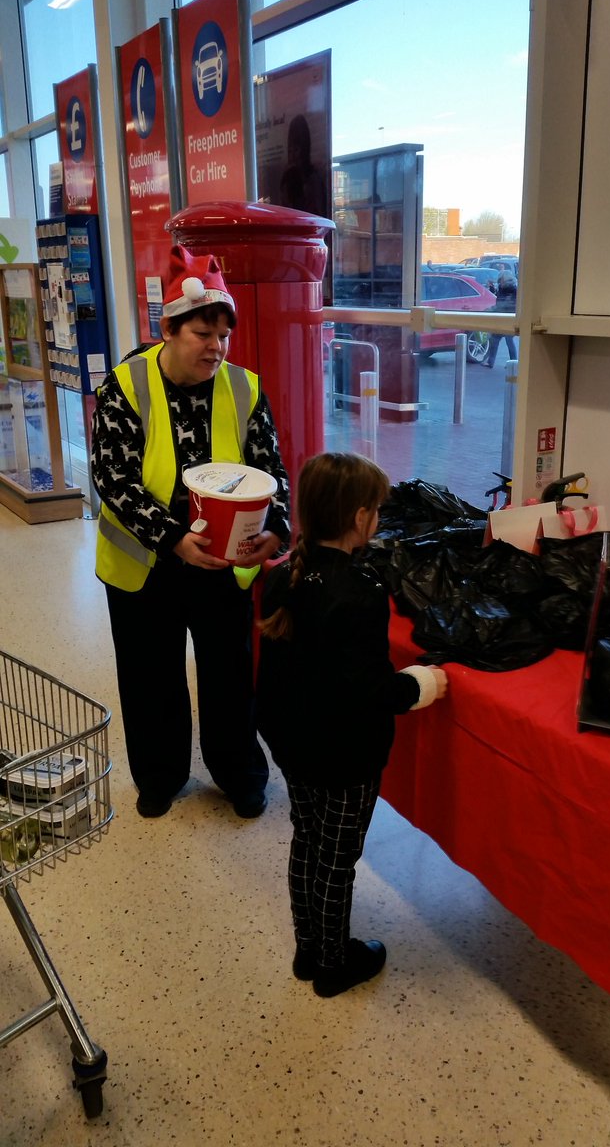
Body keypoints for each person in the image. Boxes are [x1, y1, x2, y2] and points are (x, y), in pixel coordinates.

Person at [91, 245, 290, 820]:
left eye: (223, 335)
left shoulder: (244, 388)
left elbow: (271, 467)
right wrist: (174, 536)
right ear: (169, 330)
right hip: (145, 564)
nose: (216, 347)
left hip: (224, 562)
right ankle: (159, 777)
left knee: (230, 677)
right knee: (150, 678)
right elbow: (113, 477)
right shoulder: (125, 387)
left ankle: (239, 773)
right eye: (203, 333)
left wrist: (275, 528)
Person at [256, 452, 447, 997]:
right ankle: (334, 964)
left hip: (292, 741)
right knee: (338, 862)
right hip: (344, 753)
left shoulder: (283, 576)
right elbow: (371, 689)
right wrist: (422, 685)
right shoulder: (359, 594)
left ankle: (307, 947)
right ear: (361, 518)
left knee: (307, 839)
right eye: (378, 510)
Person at [279, 114, 328, 217]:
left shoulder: (314, 180)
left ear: (305, 149)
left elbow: (319, 213)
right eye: (290, 150)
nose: (293, 156)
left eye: (296, 149)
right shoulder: (288, 177)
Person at [484, 270, 519, 368]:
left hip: (508, 318)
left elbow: (504, 304)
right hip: (504, 317)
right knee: (496, 339)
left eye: (500, 280)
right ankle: (511, 362)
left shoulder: (510, 289)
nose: (499, 282)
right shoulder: (504, 288)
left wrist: (492, 310)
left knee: (506, 340)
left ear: (504, 279)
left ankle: (512, 363)